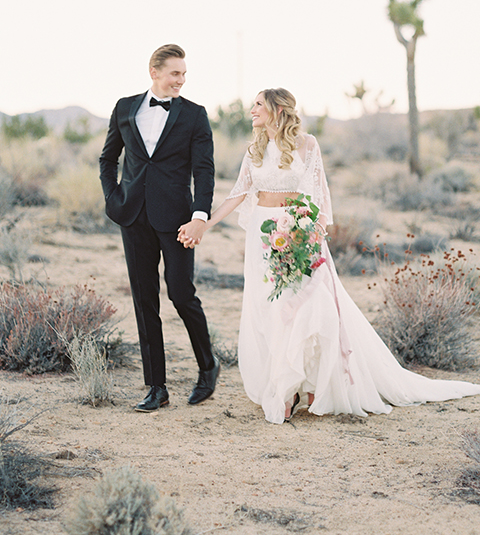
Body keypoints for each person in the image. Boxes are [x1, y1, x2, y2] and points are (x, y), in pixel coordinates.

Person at [180, 88, 480, 424]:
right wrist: (203, 224)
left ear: (278, 110)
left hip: (298, 232)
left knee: (306, 307)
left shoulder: (307, 144)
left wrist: (313, 232)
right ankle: (286, 385)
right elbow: (237, 195)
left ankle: (305, 387)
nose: (252, 110)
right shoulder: (254, 150)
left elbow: (320, 194)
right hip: (262, 238)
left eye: (258, 105)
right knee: (270, 309)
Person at [100, 44, 220, 412]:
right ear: (154, 72)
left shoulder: (195, 116)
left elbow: (204, 170)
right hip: (133, 217)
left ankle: (208, 366)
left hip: (179, 220)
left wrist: (200, 216)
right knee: (144, 300)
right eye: (175, 74)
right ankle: (157, 387)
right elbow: (108, 158)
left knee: (181, 294)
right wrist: (114, 197)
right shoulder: (124, 107)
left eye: (184, 75)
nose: (181, 80)